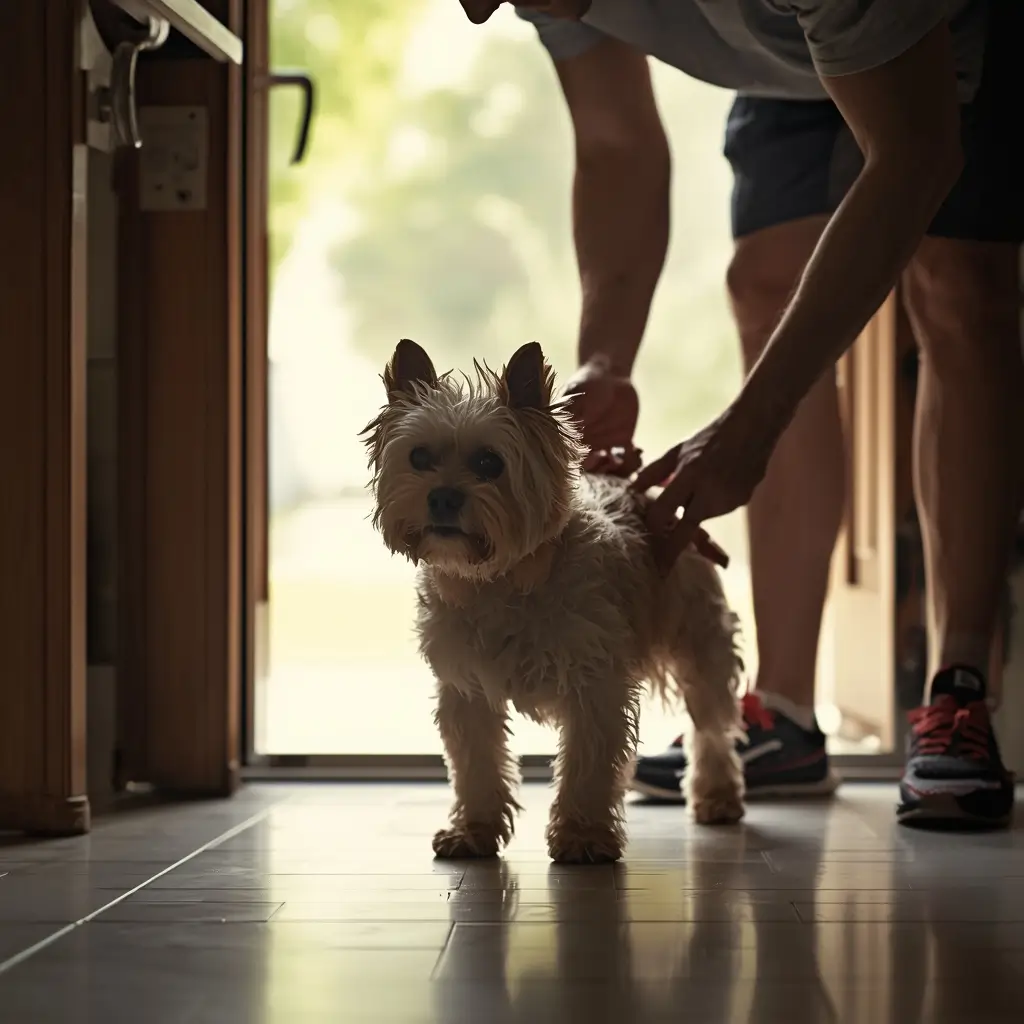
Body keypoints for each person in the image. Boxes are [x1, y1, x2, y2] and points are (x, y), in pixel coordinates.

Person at [458, 0, 1024, 827]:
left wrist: (750, 425)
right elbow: (617, 146)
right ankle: (782, 714)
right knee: (764, 285)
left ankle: (961, 691)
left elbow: (916, 154)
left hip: (950, 36)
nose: (478, 11)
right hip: (791, 54)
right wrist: (606, 363)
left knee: (958, 289)